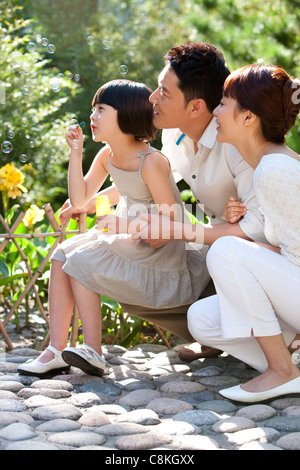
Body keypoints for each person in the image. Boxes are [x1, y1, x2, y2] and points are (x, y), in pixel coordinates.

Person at [58, 43, 267, 360]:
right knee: (113, 272)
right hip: (189, 235)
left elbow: (259, 228)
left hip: (247, 251)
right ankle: (214, 335)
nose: (152, 98)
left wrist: (187, 232)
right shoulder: (174, 136)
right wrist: (90, 202)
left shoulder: (236, 147)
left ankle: (266, 339)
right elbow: (141, 178)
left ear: (196, 107)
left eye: (164, 93)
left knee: (184, 258)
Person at [17, 79, 209, 378]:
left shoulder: (151, 161)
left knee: (83, 259)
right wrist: (76, 152)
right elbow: (80, 198)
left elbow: (172, 222)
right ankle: (56, 350)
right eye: (93, 109)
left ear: (126, 115)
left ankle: (93, 351)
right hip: (128, 235)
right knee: (61, 254)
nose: (92, 116)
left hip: (159, 247)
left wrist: (125, 224)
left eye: (101, 109)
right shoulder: (107, 155)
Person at [186, 64, 300, 402]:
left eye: (223, 102)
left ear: (249, 118)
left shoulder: (275, 169)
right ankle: (293, 362)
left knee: (226, 249)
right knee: (203, 320)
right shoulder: (271, 164)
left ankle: (282, 370)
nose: (215, 111)